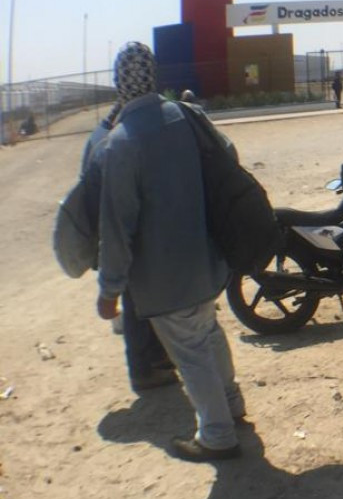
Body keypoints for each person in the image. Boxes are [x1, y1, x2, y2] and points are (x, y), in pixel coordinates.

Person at [96, 42, 245, 461]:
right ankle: (232, 405)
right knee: (209, 333)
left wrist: (109, 290)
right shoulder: (185, 116)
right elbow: (228, 155)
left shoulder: (120, 143)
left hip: (164, 278)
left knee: (190, 351)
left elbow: (117, 227)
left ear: (119, 83)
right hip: (206, 259)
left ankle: (217, 434)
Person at [82, 101, 177, 393]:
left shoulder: (102, 135)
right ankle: (143, 371)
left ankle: (157, 358)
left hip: (120, 233)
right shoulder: (113, 141)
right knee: (135, 304)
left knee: (142, 300)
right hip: (120, 236)